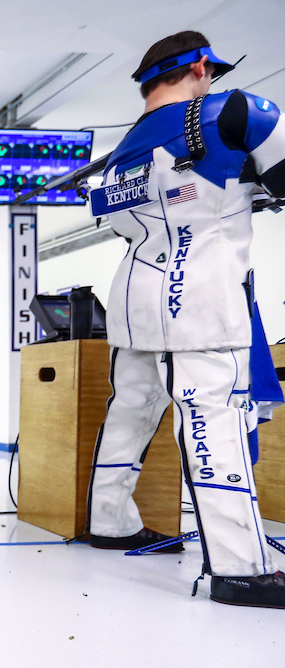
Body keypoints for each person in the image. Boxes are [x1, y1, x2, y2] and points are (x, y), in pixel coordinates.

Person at [85, 31, 285, 608]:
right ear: (200, 67)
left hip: (133, 297)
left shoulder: (121, 148)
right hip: (199, 295)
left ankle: (109, 520)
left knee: (130, 411)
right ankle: (241, 566)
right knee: (212, 421)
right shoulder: (237, 110)